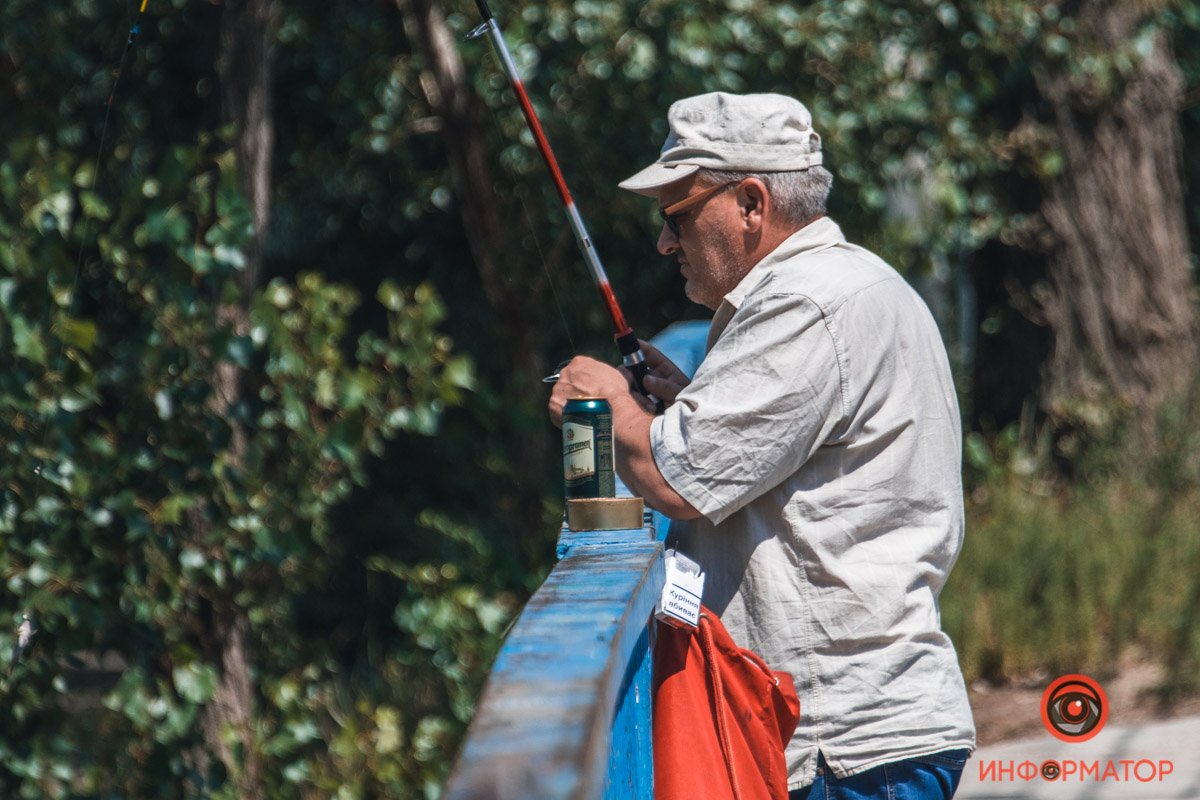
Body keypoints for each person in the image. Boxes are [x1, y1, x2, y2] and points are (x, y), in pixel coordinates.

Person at [547, 92, 975, 799]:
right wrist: (688, 404)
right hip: (855, 737)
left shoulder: (805, 303)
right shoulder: (850, 284)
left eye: (678, 217)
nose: (665, 243)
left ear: (751, 202)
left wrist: (606, 403)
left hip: (843, 747)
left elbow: (670, 477)